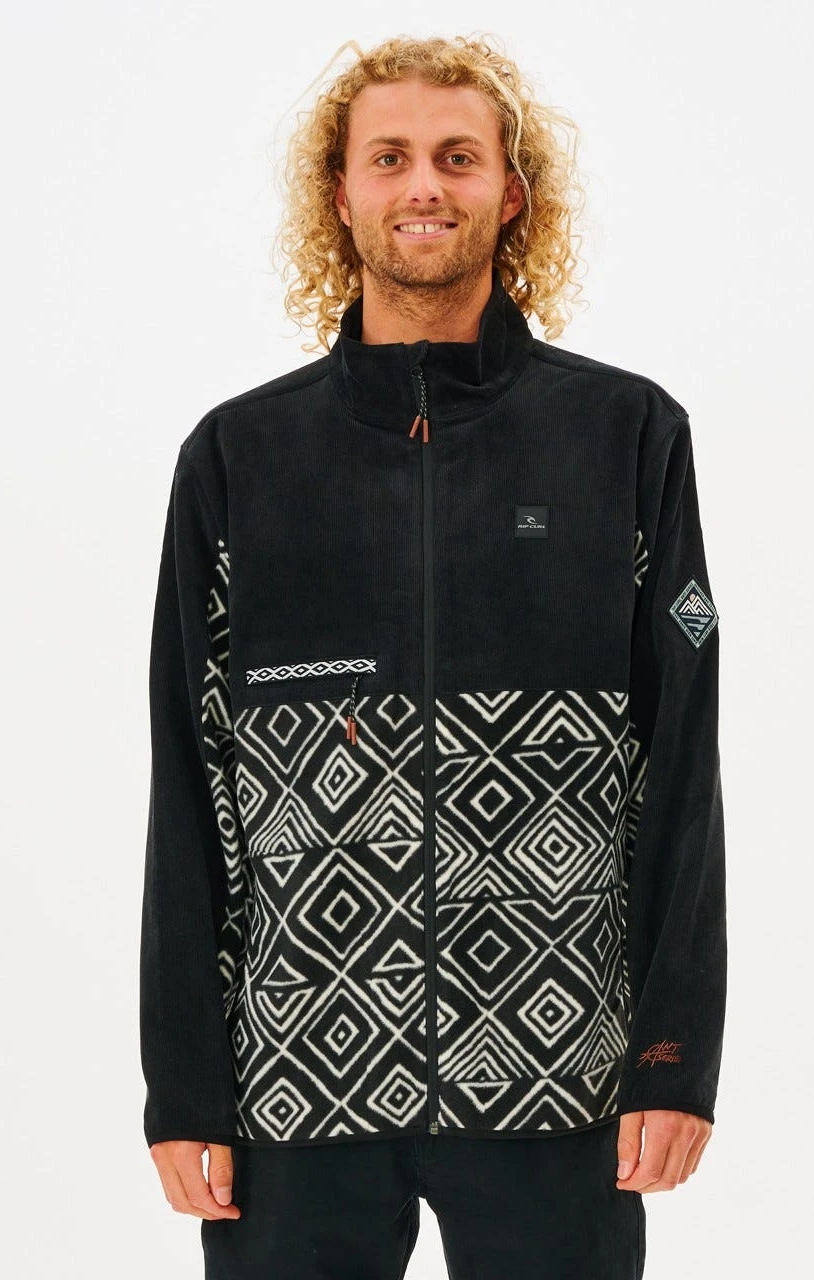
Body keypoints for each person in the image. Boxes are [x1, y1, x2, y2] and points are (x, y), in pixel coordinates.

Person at [139, 32, 727, 1280]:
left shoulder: (625, 435)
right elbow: (188, 779)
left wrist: (675, 1051)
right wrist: (183, 1077)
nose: (424, 186)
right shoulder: (239, 459)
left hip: (558, 1077)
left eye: (459, 158)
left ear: (510, 192)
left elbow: (682, 767)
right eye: (390, 157)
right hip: (294, 1082)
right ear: (341, 193)